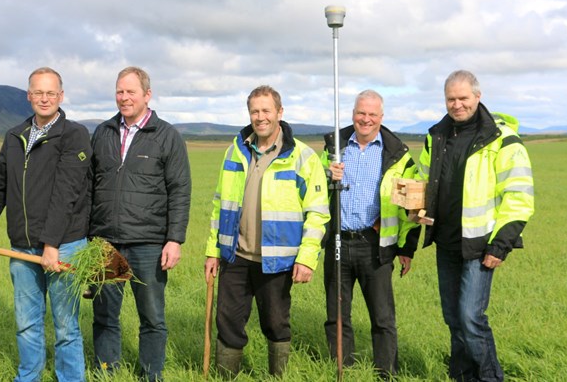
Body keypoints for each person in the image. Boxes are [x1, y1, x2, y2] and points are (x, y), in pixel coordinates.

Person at [416, 70, 535, 381]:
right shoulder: (436, 136)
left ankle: (491, 378)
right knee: (453, 318)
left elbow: (519, 196)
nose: (457, 105)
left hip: (481, 244)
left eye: (463, 98)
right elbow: (424, 181)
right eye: (451, 99)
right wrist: (415, 208)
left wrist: (501, 245)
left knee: (471, 318)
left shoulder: (503, 138)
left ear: (478, 97)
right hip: (446, 241)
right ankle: (463, 376)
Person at [204, 85, 330, 378]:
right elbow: (219, 204)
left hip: (278, 259)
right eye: (254, 111)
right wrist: (213, 250)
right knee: (228, 323)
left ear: (279, 113)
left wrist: (306, 258)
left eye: (266, 111)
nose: (260, 117)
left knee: (275, 323)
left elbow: (318, 213)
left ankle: (277, 376)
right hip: (234, 256)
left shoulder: (302, 157)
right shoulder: (235, 151)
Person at [0, 67, 92, 382]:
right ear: (28, 95)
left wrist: (51, 245)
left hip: (63, 246)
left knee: (65, 326)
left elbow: (66, 193)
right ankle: (28, 376)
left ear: (60, 96)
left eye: (51, 93)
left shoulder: (74, 135)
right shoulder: (14, 136)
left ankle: (70, 378)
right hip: (22, 247)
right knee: (27, 323)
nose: (44, 99)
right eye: (38, 92)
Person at [89, 66, 192, 382]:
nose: (124, 97)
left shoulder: (166, 136)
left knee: (152, 316)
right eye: (120, 91)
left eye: (131, 91)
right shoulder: (103, 133)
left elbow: (180, 189)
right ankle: (107, 371)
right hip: (106, 243)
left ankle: (152, 374)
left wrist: (174, 239)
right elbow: (89, 185)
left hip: (148, 243)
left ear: (147, 94)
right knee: (105, 315)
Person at [321, 89, 419, 378]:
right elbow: (313, 190)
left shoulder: (397, 154)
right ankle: (343, 369)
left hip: (375, 244)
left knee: (383, 317)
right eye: (361, 113)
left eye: (372, 114)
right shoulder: (334, 148)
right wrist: (328, 176)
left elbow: (410, 208)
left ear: (381, 117)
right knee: (337, 316)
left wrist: (406, 249)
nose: (366, 119)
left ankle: (386, 373)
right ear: (353, 114)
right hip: (338, 242)